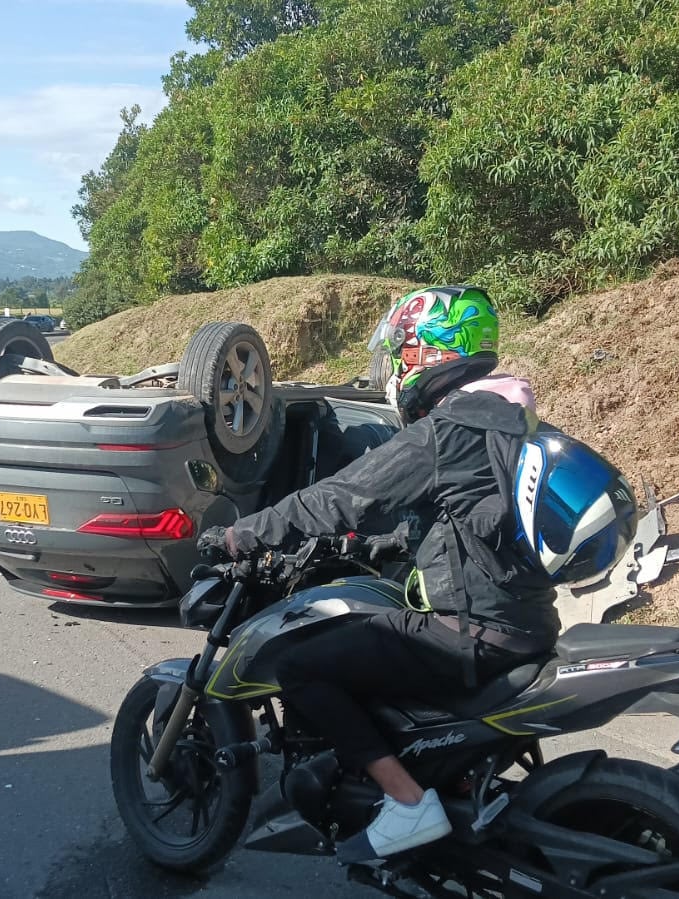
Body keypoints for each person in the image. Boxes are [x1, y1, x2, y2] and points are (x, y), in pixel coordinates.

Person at [198, 286, 637, 863]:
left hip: (470, 633)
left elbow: (339, 497)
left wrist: (238, 535)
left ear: (432, 354)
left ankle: (408, 804)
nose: (399, 364)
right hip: (523, 624)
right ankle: (441, 779)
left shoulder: (446, 434)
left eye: (404, 351)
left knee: (301, 664)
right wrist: (376, 543)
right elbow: (463, 524)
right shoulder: (512, 423)